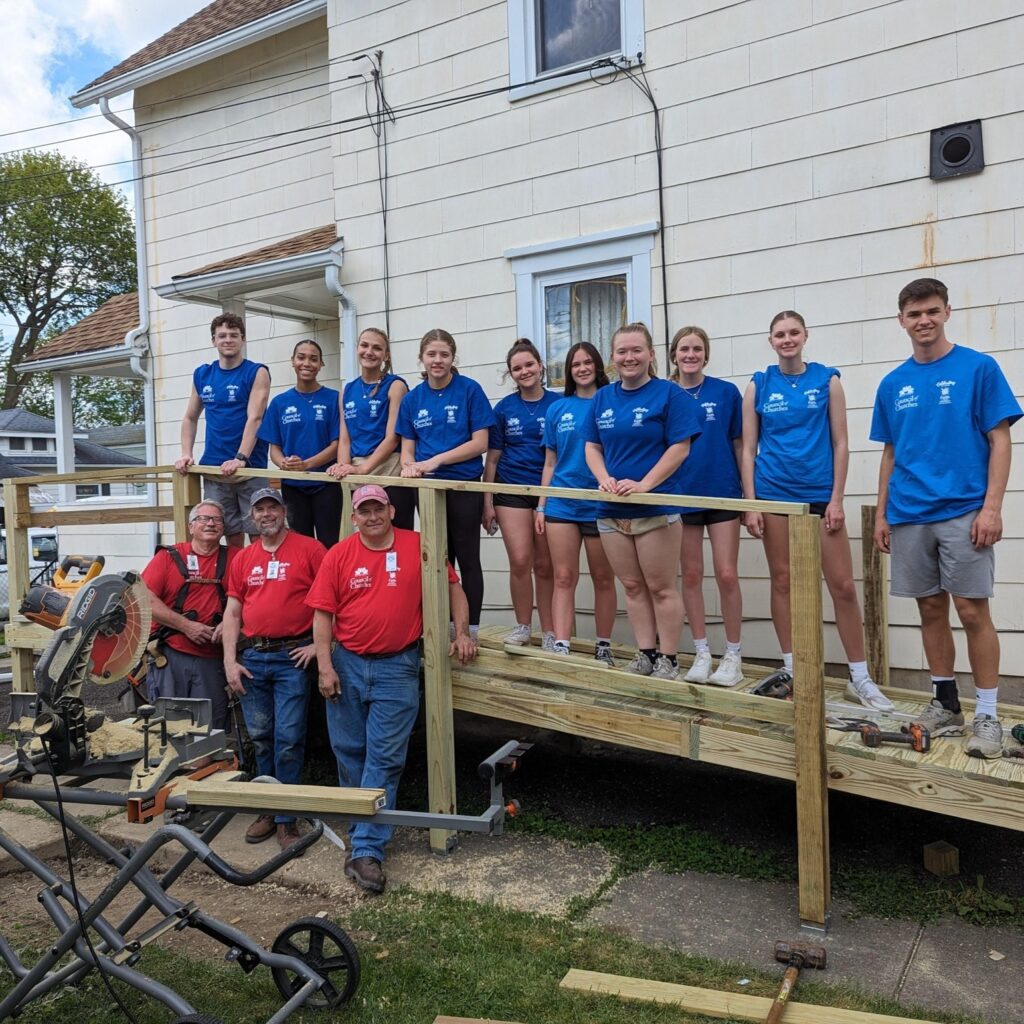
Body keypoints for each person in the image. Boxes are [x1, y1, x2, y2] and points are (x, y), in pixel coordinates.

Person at [872, 278, 1021, 758]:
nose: (924, 321)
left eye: (932, 311)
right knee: (929, 609)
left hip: (964, 511)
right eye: (914, 314)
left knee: (972, 610)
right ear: (901, 321)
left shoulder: (978, 369)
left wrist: (992, 506)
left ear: (947, 312)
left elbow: (1000, 440)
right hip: (910, 513)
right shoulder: (893, 383)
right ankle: (946, 704)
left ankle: (989, 715)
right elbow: (891, 453)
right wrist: (882, 514)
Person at [308, 484, 478, 894]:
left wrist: (461, 633)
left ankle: (367, 848)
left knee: (384, 756)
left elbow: (453, 586)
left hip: (398, 666)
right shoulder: (338, 555)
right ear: (354, 516)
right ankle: (360, 828)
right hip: (347, 664)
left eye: (378, 509)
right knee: (349, 752)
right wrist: (325, 668)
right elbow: (322, 615)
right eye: (364, 510)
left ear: (392, 510)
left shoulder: (418, 544)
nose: (372, 517)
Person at [741, 310, 893, 712]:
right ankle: (793, 668)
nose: (787, 339)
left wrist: (837, 498)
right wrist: (751, 503)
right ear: (770, 341)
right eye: (779, 334)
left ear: (805, 335)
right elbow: (748, 448)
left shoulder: (828, 380)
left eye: (793, 333)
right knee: (783, 581)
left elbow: (841, 443)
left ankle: (859, 676)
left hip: (820, 495)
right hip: (774, 495)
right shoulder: (758, 385)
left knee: (842, 585)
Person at [583, 323, 701, 680]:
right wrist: (603, 478)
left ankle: (669, 658)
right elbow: (592, 446)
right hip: (611, 511)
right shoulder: (603, 397)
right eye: (622, 352)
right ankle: (645, 653)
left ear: (651, 354)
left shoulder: (669, 394)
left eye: (637, 350)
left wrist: (646, 485)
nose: (629, 358)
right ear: (613, 359)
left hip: (655, 509)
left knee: (662, 587)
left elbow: (680, 446)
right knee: (632, 587)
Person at [221, 488, 326, 852]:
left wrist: (317, 645)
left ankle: (286, 818)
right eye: (260, 509)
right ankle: (268, 807)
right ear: (252, 516)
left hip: (291, 656)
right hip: (253, 658)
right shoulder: (243, 558)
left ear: (284, 511)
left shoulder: (310, 550)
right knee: (261, 736)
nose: (267, 514)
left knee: (290, 738)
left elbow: (329, 601)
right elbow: (233, 611)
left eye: (273, 507)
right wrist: (229, 661)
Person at [397, 329, 496, 636]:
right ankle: (444, 625)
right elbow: (406, 452)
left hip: (463, 485)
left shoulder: (469, 390)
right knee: (438, 558)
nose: (437, 360)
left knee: (467, 557)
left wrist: (436, 461)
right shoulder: (412, 399)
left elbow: (481, 443)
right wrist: (410, 468)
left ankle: (472, 629)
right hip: (428, 490)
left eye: (444, 354)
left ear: (453, 358)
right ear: (421, 359)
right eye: (431, 354)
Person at [670, 327, 745, 686]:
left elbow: (741, 446)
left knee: (727, 574)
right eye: (684, 349)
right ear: (674, 355)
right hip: (682, 495)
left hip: (723, 492)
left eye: (697, 348)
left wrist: (749, 497)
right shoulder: (666, 395)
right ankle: (701, 652)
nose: (690, 354)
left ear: (706, 354)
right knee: (692, 574)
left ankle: (733, 654)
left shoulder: (726, 392)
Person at [536, 341, 617, 665]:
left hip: (600, 503)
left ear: (598, 366)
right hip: (562, 505)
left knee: (603, 577)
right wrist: (541, 505)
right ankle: (562, 645)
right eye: (575, 364)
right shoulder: (557, 408)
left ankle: (603, 645)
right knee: (564, 577)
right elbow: (550, 463)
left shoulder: (611, 401)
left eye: (587, 362)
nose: (582, 368)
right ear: (569, 371)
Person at [483, 339, 559, 649]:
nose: (524, 371)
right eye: (517, 368)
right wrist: (486, 502)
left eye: (529, 365)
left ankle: (552, 632)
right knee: (519, 561)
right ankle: (523, 626)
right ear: (511, 374)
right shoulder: (503, 408)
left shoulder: (558, 403)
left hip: (547, 493)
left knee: (545, 564)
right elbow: (492, 458)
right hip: (510, 490)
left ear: (540, 366)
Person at [141, 500, 240, 731]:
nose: (210, 523)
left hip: (214, 657)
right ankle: (172, 768)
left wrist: (231, 622)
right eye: (203, 519)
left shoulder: (237, 558)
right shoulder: (169, 557)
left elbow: (256, 596)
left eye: (217, 519)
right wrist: (186, 626)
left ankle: (206, 767)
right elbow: (144, 599)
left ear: (224, 528)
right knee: (169, 726)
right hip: (172, 655)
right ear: (191, 527)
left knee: (210, 728)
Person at [175, 313, 270, 547]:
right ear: (213, 340)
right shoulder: (203, 374)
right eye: (222, 335)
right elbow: (190, 417)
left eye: (234, 335)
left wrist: (240, 458)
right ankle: (233, 579)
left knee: (258, 530)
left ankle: (256, 580)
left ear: (243, 339)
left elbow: (255, 418)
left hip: (250, 467)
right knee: (226, 529)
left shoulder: (256, 372)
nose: (228, 340)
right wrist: (186, 453)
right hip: (214, 467)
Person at [328, 327, 415, 530]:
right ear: (357, 348)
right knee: (365, 538)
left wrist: (364, 469)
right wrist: (343, 466)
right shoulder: (347, 390)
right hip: (357, 476)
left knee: (398, 537)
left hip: (389, 474)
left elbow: (393, 437)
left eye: (377, 348)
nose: (369, 352)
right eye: (364, 345)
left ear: (386, 354)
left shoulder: (395, 386)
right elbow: (345, 438)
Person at [260, 339, 342, 546]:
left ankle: (329, 579)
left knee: (328, 544)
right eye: (301, 357)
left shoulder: (334, 399)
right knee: (300, 544)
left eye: (314, 359)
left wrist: (306, 465)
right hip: (293, 485)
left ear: (321, 364)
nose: (307, 363)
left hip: (326, 484)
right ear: (292, 361)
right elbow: (275, 449)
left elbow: (337, 446)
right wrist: (283, 464)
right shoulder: (280, 402)